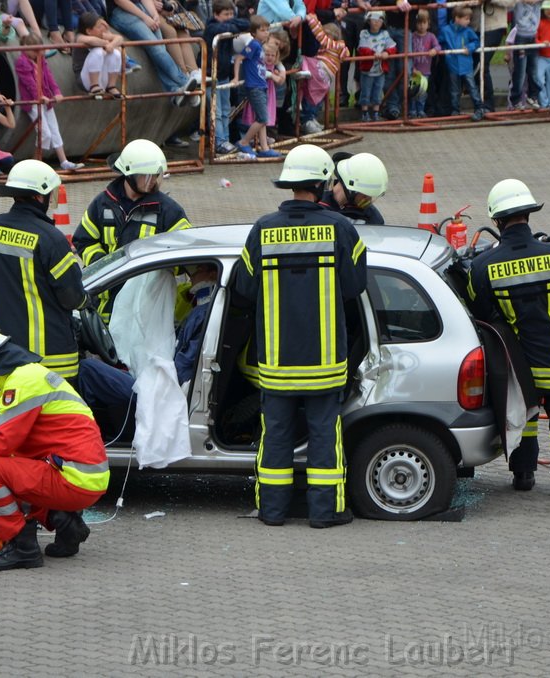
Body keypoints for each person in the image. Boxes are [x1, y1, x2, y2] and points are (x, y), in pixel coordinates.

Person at [232, 143, 368, 528]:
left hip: (276, 363)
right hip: (325, 362)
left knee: (275, 437)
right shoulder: (342, 228)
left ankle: (273, 512)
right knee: (325, 437)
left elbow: (242, 287)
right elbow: (355, 285)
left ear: (289, 185)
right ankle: (324, 514)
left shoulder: (262, 229)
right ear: (323, 183)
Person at [0, 326, 108, 570]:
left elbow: (1, 444)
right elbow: (13, 444)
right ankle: (65, 523)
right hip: (82, 476)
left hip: (74, 480)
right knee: (8, 463)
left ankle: (22, 547)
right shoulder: (29, 375)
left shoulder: (21, 383)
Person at [467, 179, 550, 502]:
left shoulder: (482, 266)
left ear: (496, 221)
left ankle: (523, 475)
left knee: (527, 415)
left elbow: (480, 310)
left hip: (522, 368)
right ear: (529, 214)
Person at [0, 159, 88, 381]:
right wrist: (88, 301)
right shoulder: (51, 239)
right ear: (40, 196)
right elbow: (73, 298)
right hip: (52, 361)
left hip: (5, 355)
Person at [73, 139, 192, 318]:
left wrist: (159, 271)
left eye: (156, 175)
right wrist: (103, 263)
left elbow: (186, 254)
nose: (152, 181)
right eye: (147, 176)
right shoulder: (103, 204)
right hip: (105, 307)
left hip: (145, 311)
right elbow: (84, 240)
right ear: (129, 175)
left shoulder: (168, 211)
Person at [15, 33, 85, 171]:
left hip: (45, 100)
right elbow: (29, 84)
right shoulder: (22, 62)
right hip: (34, 102)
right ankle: (36, 163)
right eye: (35, 50)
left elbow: (49, 77)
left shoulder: (40, 59)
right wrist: (39, 96)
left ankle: (64, 161)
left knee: (54, 130)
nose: (38, 53)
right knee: (44, 133)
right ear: (27, 48)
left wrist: (57, 92)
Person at [202, 0, 249, 155]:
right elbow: (228, 27)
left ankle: (226, 140)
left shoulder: (229, 22)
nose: (229, 17)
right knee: (215, 111)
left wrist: (233, 20)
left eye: (231, 13)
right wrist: (234, 23)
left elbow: (245, 23)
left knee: (225, 110)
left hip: (223, 74)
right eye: (225, 14)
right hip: (210, 75)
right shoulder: (211, 27)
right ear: (215, 14)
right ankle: (219, 142)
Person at [235, 16, 280, 159]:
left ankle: (264, 147)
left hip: (261, 84)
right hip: (255, 86)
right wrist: (236, 77)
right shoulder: (254, 44)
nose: (266, 33)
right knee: (263, 119)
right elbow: (239, 59)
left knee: (262, 118)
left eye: (267, 30)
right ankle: (244, 141)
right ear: (254, 32)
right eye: (262, 30)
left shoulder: (259, 46)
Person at [300, 13, 349, 133]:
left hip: (322, 70)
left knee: (303, 59)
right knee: (318, 96)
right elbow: (345, 56)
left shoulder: (331, 44)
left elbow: (320, 35)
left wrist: (312, 19)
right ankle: (312, 118)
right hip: (328, 76)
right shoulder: (341, 47)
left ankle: (308, 120)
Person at [174, 264, 218, 387]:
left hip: (179, 385)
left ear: (213, 275)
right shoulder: (202, 310)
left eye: (197, 270)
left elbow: (184, 363)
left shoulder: (203, 314)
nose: (190, 276)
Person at [440, 5, 485, 120]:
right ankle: (455, 110)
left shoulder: (468, 31)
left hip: (466, 64)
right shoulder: (446, 31)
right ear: (457, 18)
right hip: (452, 64)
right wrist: (443, 52)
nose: (468, 21)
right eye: (466, 18)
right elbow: (439, 42)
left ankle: (479, 107)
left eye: (469, 18)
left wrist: (469, 48)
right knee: (454, 89)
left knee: (471, 87)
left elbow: (476, 41)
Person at [320, 151, 388, 224]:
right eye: (365, 194)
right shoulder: (316, 204)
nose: (369, 200)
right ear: (350, 189)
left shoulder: (371, 217)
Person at [74, 11, 124, 99]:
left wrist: (112, 45)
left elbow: (119, 38)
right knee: (98, 51)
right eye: (99, 26)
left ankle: (111, 86)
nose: (102, 28)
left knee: (115, 53)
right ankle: (94, 86)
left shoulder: (100, 34)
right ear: (89, 31)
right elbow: (91, 41)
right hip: (85, 79)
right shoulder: (79, 36)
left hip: (101, 76)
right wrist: (106, 44)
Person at [358, 11, 397, 123]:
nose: (376, 22)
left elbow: (393, 46)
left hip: (380, 70)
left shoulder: (385, 34)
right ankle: (364, 113)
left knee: (378, 91)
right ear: (369, 21)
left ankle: (375, 112)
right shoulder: (364, 33)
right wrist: (372, 54)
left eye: (379, 20)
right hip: (367, 70)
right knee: (366, 91)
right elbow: (361, 48)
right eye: (374, 19)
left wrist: (387, 52)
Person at [509, 0, 542, 110]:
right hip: (520, 37)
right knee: (520, 71)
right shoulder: (518, 3)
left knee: (533, 69)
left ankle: (533, 96)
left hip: (533, 37)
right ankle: (516, 100)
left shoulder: (538, 3)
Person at [409, 9, 439, 118]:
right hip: (414, 70)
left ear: (428, 24)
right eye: (419, 23)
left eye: (424, 23)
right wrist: (412, 68)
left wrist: (434, 50)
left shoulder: (431, 36)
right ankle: (412, 111)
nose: (421, 26)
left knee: (422, 92)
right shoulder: (412, 36)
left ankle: (421, 110)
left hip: (425, 71)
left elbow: (438, 46)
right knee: (413, 91)